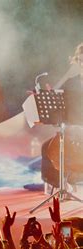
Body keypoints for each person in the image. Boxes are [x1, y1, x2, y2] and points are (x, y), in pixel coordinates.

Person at [40, 42, 83, 189]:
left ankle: (70, 181)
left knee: (65, 150)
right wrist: (66, 76)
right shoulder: (72, 81)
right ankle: (60, 186)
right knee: (47, 147)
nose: (82, 64)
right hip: (73, 130)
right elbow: (54, 95)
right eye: (80, 60)